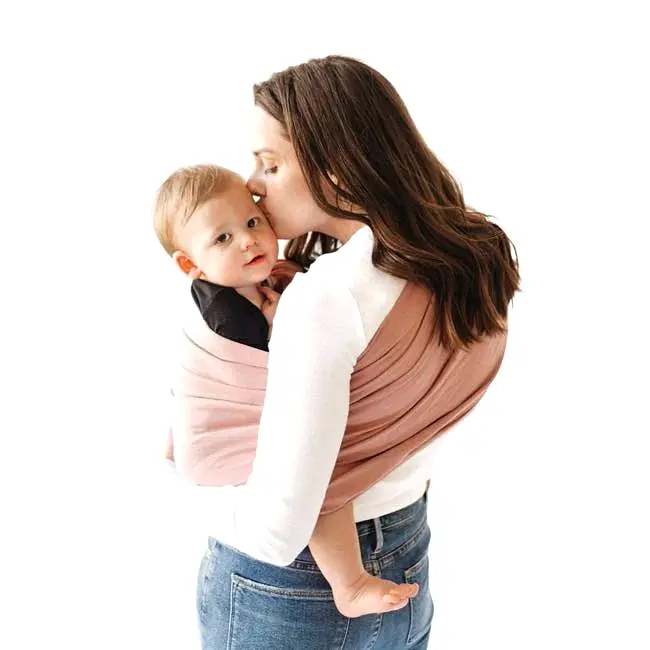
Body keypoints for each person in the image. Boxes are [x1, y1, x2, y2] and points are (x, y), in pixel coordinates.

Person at [184, 55, 519, 650]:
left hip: (292, 591)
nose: (253, 184)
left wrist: (187, 487)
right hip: (406, 552)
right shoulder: (466, 258)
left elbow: (276, 531)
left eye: (271, 163)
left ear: (336, 169)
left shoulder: (328, 296)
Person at [154, 163, 419, 617]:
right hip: (224, 440)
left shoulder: (252, 280)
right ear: (190, 265)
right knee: (318, 476)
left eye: (252, 222)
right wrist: (282, 327)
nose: (247, 240)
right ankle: (348, 583)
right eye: (222, 238)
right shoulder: (228, 317)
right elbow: (293, 382)